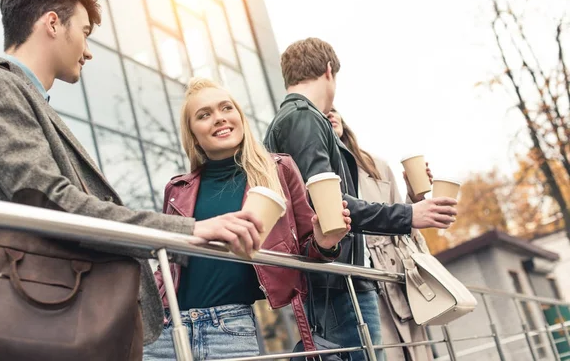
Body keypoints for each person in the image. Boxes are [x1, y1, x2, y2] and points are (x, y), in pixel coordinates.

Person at [0, 0, 264, 349]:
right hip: (27, 319)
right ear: (53, 23)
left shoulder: (26, 98)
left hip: (46, 314)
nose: (88, 51)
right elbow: (51, 200)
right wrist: (186, 230)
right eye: (86, 33)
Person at [264, 37, 457, 361]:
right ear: (328, 71)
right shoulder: (303, 118)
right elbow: (330, 207)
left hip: (335, 284)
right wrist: (409, 215)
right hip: (338, 287)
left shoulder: (296, 119)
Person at [143, 78, 351, 360]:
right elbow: (170, 264)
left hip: (230, 328)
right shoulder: (177, 189)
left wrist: (325, 243)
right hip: (167, 327)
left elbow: (306, 251)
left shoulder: (279, 169)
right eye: (204, 115)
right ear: (192, 133)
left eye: (226, 108)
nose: (219, 118)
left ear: (239, 117)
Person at [327, 108, 435, 361]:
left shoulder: (376, 166)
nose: (330, 114)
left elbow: (405, 227)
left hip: (398, 278)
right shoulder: (322, 173)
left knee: (417, 352)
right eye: (323, 112)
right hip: (360, 282)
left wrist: (414, 197)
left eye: (333, 110)